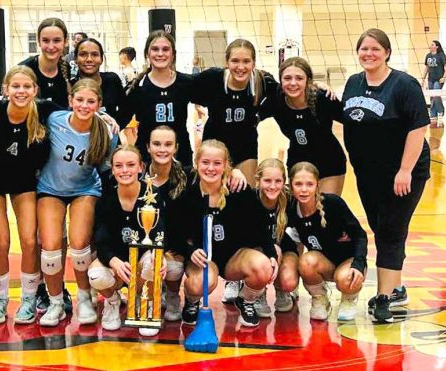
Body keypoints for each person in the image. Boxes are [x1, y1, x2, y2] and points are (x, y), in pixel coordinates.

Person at [341, 28, 430, 323]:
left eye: (375, 49)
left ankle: (383, 299)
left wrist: (405, 170)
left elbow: (418, 129)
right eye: (364, 49)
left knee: (392, 231)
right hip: (369, 174)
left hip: (404, 172)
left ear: (387, 53)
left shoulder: (404, 84)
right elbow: (348, 119)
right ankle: (397, 287)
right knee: (381, 230)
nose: (369, 54)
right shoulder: (353, 82)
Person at [0, 66, 59, 324]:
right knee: (1, 242)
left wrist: (105, 118)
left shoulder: (44, 110)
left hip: (24, 182)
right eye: (16, 86)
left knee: (29, 241)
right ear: (6, 89)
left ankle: (28, 299)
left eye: (26, 87)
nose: (21, 91)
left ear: (35, 90)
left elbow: (79, 114)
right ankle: (0, 301)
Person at [37, 78, 118, 327]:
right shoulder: (55, 120)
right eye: (79, 100)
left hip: (85, 189)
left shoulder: (106, 131)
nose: (84, 106)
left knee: (80, 243)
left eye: (91, 102)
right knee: (50, 248)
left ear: (99, 105)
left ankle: (84, 298)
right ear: (70, 101)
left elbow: (107, 169)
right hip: (51, 188)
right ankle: (56, 302)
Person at [176, 140, 278, 328]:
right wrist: (190, 250)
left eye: (217, 163)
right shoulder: (187, 194)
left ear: (226, 166)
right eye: (205, 162)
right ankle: (192, 302)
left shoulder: (238, 189)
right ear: (197, 163)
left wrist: (271, 253)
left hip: (234, 257)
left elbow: (260, 224)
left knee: (263, 267)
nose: (210, 168)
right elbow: (175, 232)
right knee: (200, 283)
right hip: (204, 258)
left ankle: (246, 301)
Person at [88, 145, 181, 336]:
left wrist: (159, 255)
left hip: (142, 259)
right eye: (119, 166)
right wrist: (113, 261)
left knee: (159, 265)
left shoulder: (153, 195)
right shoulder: (106, 199)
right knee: (96, 275)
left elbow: (160, 232)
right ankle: (112, 301)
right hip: (118, 261)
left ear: (141, 167)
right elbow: (101, 240)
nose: (124, 170)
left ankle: (144, 302)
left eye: (130, 165)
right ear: (112, 170)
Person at [190, 38, 279, 184]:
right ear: (227, 62)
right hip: (214, 146)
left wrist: (316, 86)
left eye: (246, 61)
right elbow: (183, 86)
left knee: (244, 196)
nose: (240, 67)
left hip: (245, 149)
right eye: (235, 61)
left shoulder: (262, 81)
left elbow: (287, 92)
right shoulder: (212, 79)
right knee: (212, 197)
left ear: (254, 63)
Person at [287, 162, 367, 321]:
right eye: (298, 184)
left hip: (347, 261)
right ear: (291, 186)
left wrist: (358, 263)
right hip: (324, 263)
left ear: (317, 185)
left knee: (345, 279)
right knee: (306, 261)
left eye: (309, 184)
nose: (304, 189)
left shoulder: (332, 203)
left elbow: (359, 235)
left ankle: (349, 299)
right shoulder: (291, 209)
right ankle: (320, 299)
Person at [262, 57, 346, 195]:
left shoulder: (323, 98)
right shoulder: (276, 100)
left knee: (327, 210)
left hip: (330, 163)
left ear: (308, 80)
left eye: (299, 78)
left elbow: (352, 122)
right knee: (301, 213)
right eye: (287, 78)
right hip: (298, 162)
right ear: (281, 80)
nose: (293, 83)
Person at [119, 31, 194, 166]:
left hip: (181, 155)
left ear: (173, 54)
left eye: (165, 49)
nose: (160, 54)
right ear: (147, 54)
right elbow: (120, 120)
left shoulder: (186, 83)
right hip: (147, 158)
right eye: (155, 49)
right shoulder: (138, 87)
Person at [251, 158, 299, 317]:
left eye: (278, 181)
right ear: (258, 180)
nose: (273, 186)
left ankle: (282, 291)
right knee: (274, 250)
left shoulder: (290, 199)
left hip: (283, 248)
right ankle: (258, 293)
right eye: (267, 180)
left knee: (289, 282)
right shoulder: (250, 199)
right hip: (255, 252)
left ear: (284, 181)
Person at [70, 37, 125, 122]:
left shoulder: (112, 80)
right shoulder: (70, 85)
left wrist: (114, 129)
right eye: (83, 54)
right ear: (76, 59)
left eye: (95, 55)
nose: (89, 59)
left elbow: (125, 110)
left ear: (101, 59)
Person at [19, 18, 70, 107]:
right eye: (46, 40)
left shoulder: (68, 69)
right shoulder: (24, 70)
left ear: (65, 42)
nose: (51, 47)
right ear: (38, 42)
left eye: (56, 40)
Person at [422, 40, 446, 153]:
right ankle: (433, 114)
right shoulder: (428, 56)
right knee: (432, 96)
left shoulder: (440, 55)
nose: (430, 46)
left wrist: (444, 77)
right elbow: (427, 67)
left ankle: (441, 112)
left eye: (432, 44)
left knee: (437, 95)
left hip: (439, 79)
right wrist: (423, 78)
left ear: (436, 47)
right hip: (430, 79)